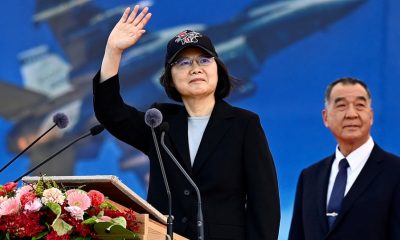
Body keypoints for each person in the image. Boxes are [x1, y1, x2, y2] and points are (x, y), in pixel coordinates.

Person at [93, 5, 280, 240]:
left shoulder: (244, 125)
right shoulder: (158, 123)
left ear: (218, 70)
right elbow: (110, 112)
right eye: (183, 63)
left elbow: (264, 203)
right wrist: (113, 52)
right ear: (169, 78)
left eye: (204, 60)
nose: (195, 69)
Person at [289, 77, 400, 240]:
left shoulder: (395, 172)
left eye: (360, 105)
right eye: (341, 106)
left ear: (371, 116)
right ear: (325, 117)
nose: (351, 114)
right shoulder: (309, 177)